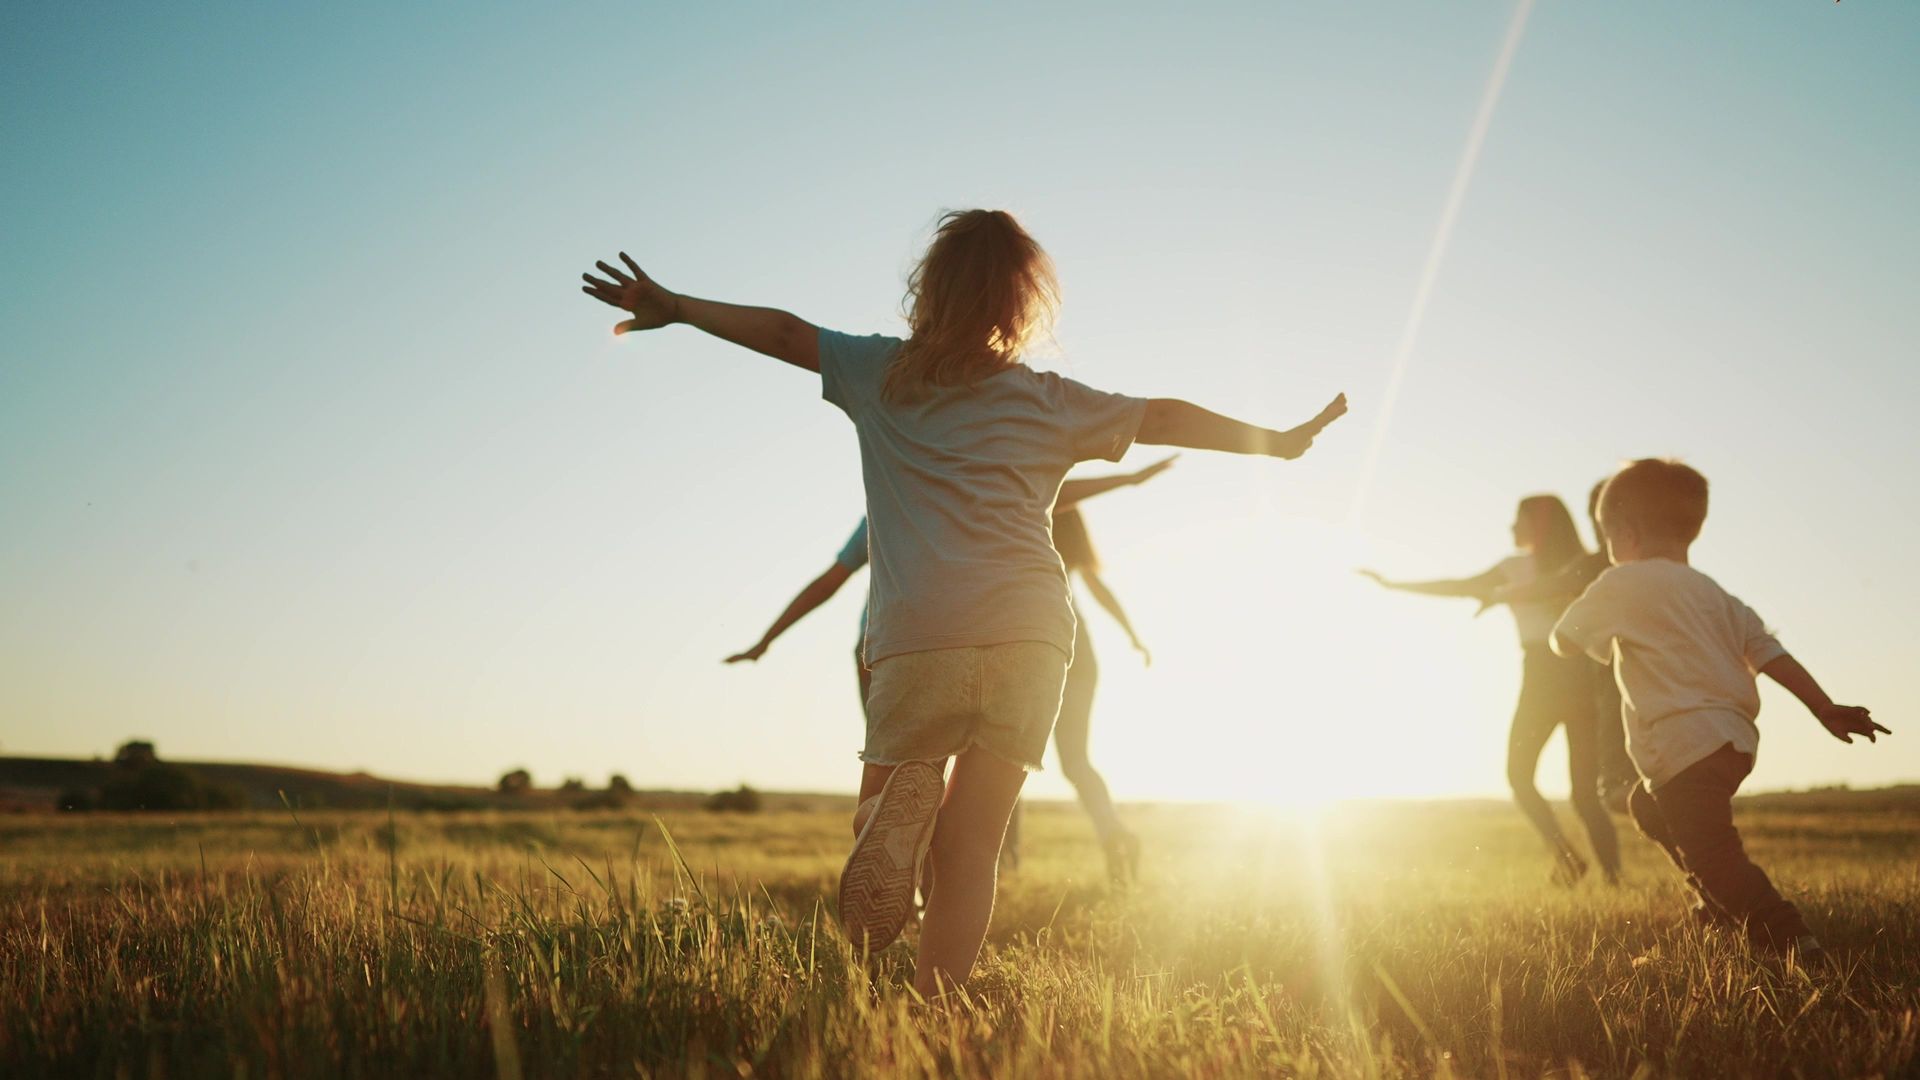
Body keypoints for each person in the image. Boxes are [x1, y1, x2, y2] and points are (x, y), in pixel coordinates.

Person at [581, 208, 1347, 995]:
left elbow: (781, 331)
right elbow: (1160, 416)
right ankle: (934, 1002)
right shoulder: (1050, 400)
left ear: (929, 289)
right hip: (1032, 636)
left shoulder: (880, 373)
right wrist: (1275, 441)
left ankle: (892, 841)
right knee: (975, 848)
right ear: (1019, 306)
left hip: (920, 636)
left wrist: (677, 305)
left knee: (876, 821)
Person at [1552, 459, 1885, 954]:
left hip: (1681, 746)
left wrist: (1582, 623)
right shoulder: (1718, 595)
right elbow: (1773, 654)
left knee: (1713, 852)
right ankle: (1718, 905)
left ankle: (1788, 936)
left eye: (1606, 537)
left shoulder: (1620, 583)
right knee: (1649, 806)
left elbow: (1563, 639)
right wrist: (1824, 707)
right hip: (1732, 743)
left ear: (1625, 533)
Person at [723, 456, 1177, 720]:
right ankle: (917, 878)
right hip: (905, 651)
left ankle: (924, 876)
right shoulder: (921, 510)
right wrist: (765, 640)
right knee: (939, 774)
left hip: (910, 650)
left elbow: (828, 583)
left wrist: (765, 642)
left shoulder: (892, 510)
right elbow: (1044, 491)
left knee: (909, 774)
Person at [1361, 495, 1621, 884]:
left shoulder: (1518, 569)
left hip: (1544, 676)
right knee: (1585, 792)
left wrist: (1393, 584)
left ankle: (1571, 860)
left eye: (1518, 518)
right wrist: (1395, 584)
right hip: (1585, 677)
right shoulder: (1585, 564)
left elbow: (1459, 586)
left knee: (1520, 775)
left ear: (1538, 524)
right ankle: (1611, 879)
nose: (1511, 527)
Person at [1001, 505, 1150, 882]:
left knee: (1002, 755)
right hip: (1078, 651)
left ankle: (1005, 858)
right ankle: (1115, 833)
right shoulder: (1065, 532)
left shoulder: (1022, 515)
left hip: (1037, 648)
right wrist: (1132, 636)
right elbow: (1100, 589)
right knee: (1076, 762)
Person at [1480, 481, 1640, 813]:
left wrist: (1501, 594)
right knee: (1591, 793)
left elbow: (1552, 593)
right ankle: (1603, 865)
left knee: (1588, 788)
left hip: (1558, 673)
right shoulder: (1595, 564)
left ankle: (1574, 859)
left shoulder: (1592, 567)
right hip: (1593, 677)